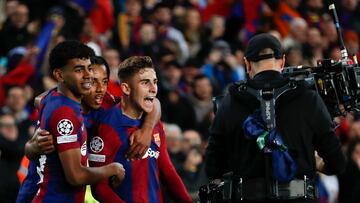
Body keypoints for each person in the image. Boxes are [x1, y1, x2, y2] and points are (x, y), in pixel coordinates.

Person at [205, 33, 346, 203]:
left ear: (247, 64)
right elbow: (337, 163)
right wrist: (313, 162)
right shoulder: (308, 98)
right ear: (283, 61)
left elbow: (213, 167)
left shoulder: (229, 103)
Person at [17, 55, 161, 202]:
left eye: (105, 82)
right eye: (93, 82)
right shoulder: (59, 107)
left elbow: (153, 102)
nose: (101, 89)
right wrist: (31, 147)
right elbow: (39, 102)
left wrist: (147, 130)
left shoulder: (105, 101)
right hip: (38, 193)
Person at [18, 41, 125, 203]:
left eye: (89, 68)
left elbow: (38, 100)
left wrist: (30, 147)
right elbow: (75, 176)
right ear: (59, 75)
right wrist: (113, 169)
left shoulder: (52, 99)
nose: (88, 75)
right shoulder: (66, 113)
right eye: (79, 70)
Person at [89, 56, 192, 202]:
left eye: (155, 82)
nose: (153, 88)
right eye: (145, 83)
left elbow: (168, 172)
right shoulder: (106, 127)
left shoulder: (153, 123)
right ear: (126, 88)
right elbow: (99, 188)